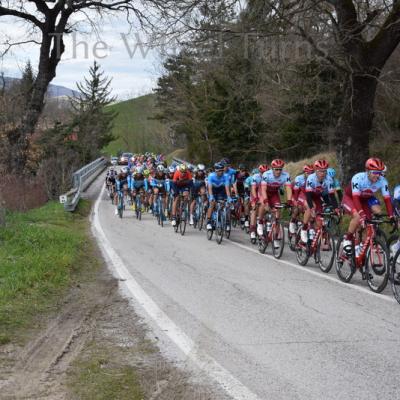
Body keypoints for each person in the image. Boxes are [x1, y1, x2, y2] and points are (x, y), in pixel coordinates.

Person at [341, 157, 394, 253]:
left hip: (365, 199)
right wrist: (362, 214)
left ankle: (361, 242)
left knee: (370, 221)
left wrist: (391, 215)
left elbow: (387, 199)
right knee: (358, 217)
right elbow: (356, 198)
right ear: (367, 171)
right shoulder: (358, 178)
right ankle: (347, 239)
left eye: (379, 173)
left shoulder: (382, 181)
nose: (377, 176)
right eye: (374, 172)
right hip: (351, 198)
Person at [299, 160, 338, 243]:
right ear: (316, 171)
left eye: (324, 171)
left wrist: (336, 208)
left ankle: (313, 238)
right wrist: (312, 208)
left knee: (319, 220)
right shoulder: (311, 178)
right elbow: (309, 196)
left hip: (317, 197)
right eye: (320, 171)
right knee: (311, 208)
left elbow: (331, 195)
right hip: (306, 195)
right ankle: (304, 228)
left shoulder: (329, 179)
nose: (322, 173)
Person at [258, 159, 292, 237]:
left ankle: (276, 235)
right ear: (272, 169)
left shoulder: (286, 175)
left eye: (280, 169)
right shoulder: (266, 174)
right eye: (276, 169)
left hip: (274, 194)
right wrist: (266, 202)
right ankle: (260, 222)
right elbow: (263, 189)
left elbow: (288, 189)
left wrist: (289, 201)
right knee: (263, 205)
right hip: (264, 192)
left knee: (278, 211)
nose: (278, 171)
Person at [206, 162, 232, 230]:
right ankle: (208, 222)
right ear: (216, 171)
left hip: (221, 190)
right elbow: (210, 188)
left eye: (222, 170)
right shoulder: (211, 176)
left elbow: (227, 188)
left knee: (222, 204)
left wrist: (229, 197)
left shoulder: (226, 176)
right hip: (213, 190)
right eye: (220, 171)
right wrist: (211, 196)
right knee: (212, 203)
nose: (221, 172)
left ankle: (220, 219)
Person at [290, 164, 314, 234]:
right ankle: (292, 221)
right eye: (308, 173)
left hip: (309, 195)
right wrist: (295, 201)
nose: (310, 174)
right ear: (304, 173)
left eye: (311, 173)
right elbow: (296, 192)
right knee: (298, 208)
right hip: (299, 193)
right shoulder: (299, 178)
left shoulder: (314, 178)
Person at [249, 165, 268, 240]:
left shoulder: (268, 177)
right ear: (260, 172)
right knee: (254, 209)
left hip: (262, 193)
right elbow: (253, 189)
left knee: (265, 207)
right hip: (255, 193)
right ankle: (252, 230)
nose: (264, 174)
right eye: (262, 172)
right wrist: (255, 199)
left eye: (265, 172)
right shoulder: (255, 177)